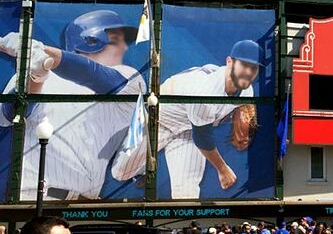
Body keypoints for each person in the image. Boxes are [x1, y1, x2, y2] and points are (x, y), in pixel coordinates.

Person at [0, 10, 146, 200]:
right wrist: (36, 75)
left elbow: (94, 74)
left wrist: (43, 52)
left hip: (84, 205)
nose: (124, 48)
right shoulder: (28, 74)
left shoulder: (128, 78)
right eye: (117, 40)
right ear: (92, 41)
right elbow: (10, 116)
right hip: (32, 198)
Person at [111, 39, 262, 198]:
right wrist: (223, 169)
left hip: (188, 130)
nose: (249, 72)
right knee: (119, 173)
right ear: (229, 62)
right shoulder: (205, 89)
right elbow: (203, 138)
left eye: (254, 68)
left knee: (187, 194)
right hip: (158, 119)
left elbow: (239, 109)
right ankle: (141, 168)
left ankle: (184, 223)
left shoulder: (246, 90)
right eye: (244, 65)